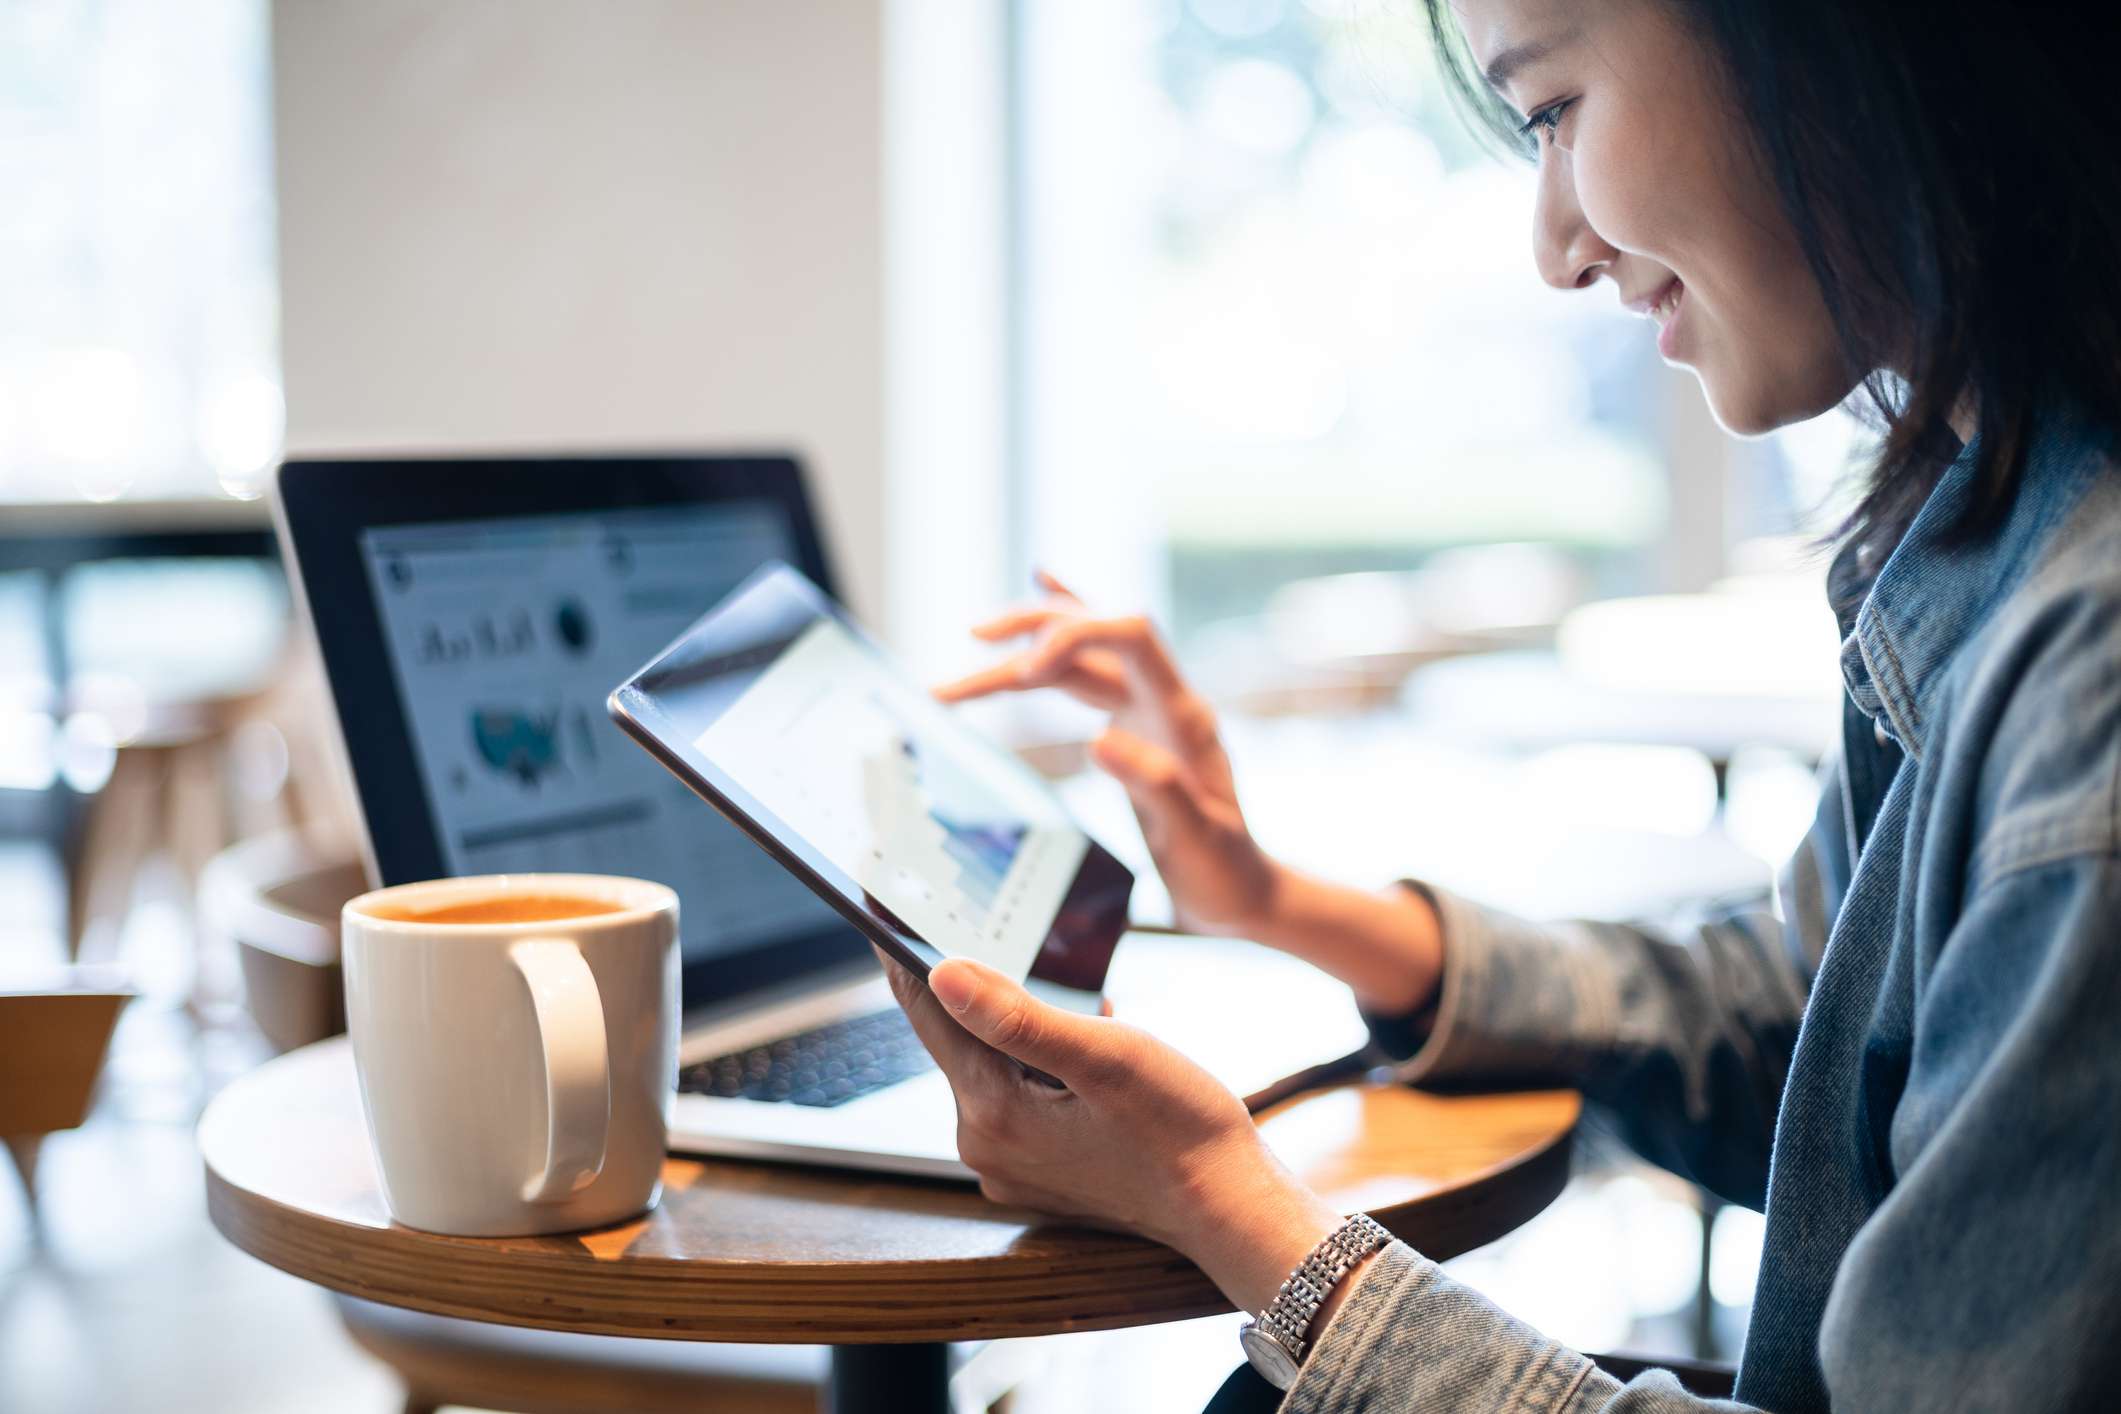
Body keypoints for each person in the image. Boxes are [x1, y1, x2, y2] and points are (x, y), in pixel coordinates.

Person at [881, 0, 2121, 1408]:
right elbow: (1807, 1039)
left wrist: (1220, 1203)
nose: (1553, 246)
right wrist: (1271, 898)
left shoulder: (2085, 679)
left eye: (1551, 113)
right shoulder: (1988, 526)